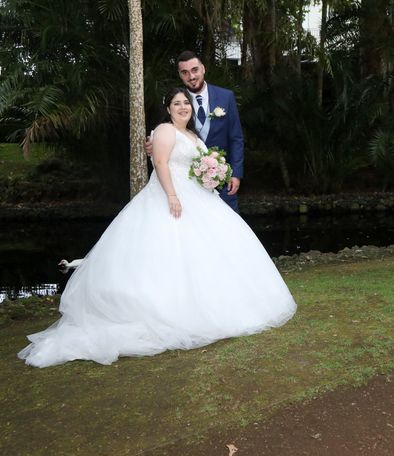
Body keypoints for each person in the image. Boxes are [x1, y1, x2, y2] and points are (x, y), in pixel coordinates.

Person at [18, 88, 297, 368]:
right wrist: (173, 196)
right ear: (168, 108)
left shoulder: (193, 135)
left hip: (199, 198)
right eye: (177, 103)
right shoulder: (165, 130)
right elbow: (161, 162)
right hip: (169, 197)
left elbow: (195, 164)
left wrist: (211, 175)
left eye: (186, 103)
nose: (183, 107)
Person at [146, 50, 243, 212]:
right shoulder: (174, 101)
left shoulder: (226, 97)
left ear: (203, 68)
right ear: (180, 75)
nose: (191, 76)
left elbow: (236, 138)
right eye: (185, 72)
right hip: (186, 187)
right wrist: (152, 144)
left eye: (195, 70)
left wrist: (236, 173)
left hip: (222, 179)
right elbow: (163, 134)